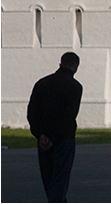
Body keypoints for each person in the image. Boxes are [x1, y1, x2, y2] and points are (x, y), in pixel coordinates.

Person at [27, 52, 83, 203]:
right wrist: (54, 137)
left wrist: (41, 135)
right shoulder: (75, 87)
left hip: (44, 140)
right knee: (60, 179)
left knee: (49, 178)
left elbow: (32, 112)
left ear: (60, 64)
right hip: (63, 139)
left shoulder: (42, 83)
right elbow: (69, 116)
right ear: (75, 67)